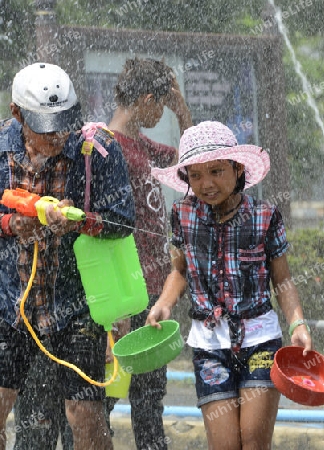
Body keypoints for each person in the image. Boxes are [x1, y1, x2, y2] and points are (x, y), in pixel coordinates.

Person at [146, 121, 312, 450]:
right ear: (186, 179)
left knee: (252, 442)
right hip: (209, 345)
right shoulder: (182, 215)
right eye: (195, 175)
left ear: (238, 170)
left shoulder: (265, 216)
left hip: (260, 341)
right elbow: (179, 270)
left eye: (216, 171)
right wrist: (164, 303)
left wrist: (297, 322)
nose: (206, 184)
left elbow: (283, 279)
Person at [0, 62, 135, 450]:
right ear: (17, 114)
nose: (59, 135)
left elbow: (123, 222)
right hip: (11, 302)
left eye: (65, 121)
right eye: (46, 126)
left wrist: (80, 221)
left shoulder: (98, 151)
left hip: (76, 305)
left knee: (86, 419)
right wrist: (13, 226)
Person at [105, 57, 192, 449]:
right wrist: (112, 310)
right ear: (144, 98)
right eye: (161, 104)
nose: (162, 113)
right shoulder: (105, 146)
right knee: (103, 398)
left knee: (148, 400)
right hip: (124, 296)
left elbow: (193, 163)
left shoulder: (140, 143)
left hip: (153, 293)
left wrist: (181, 108)